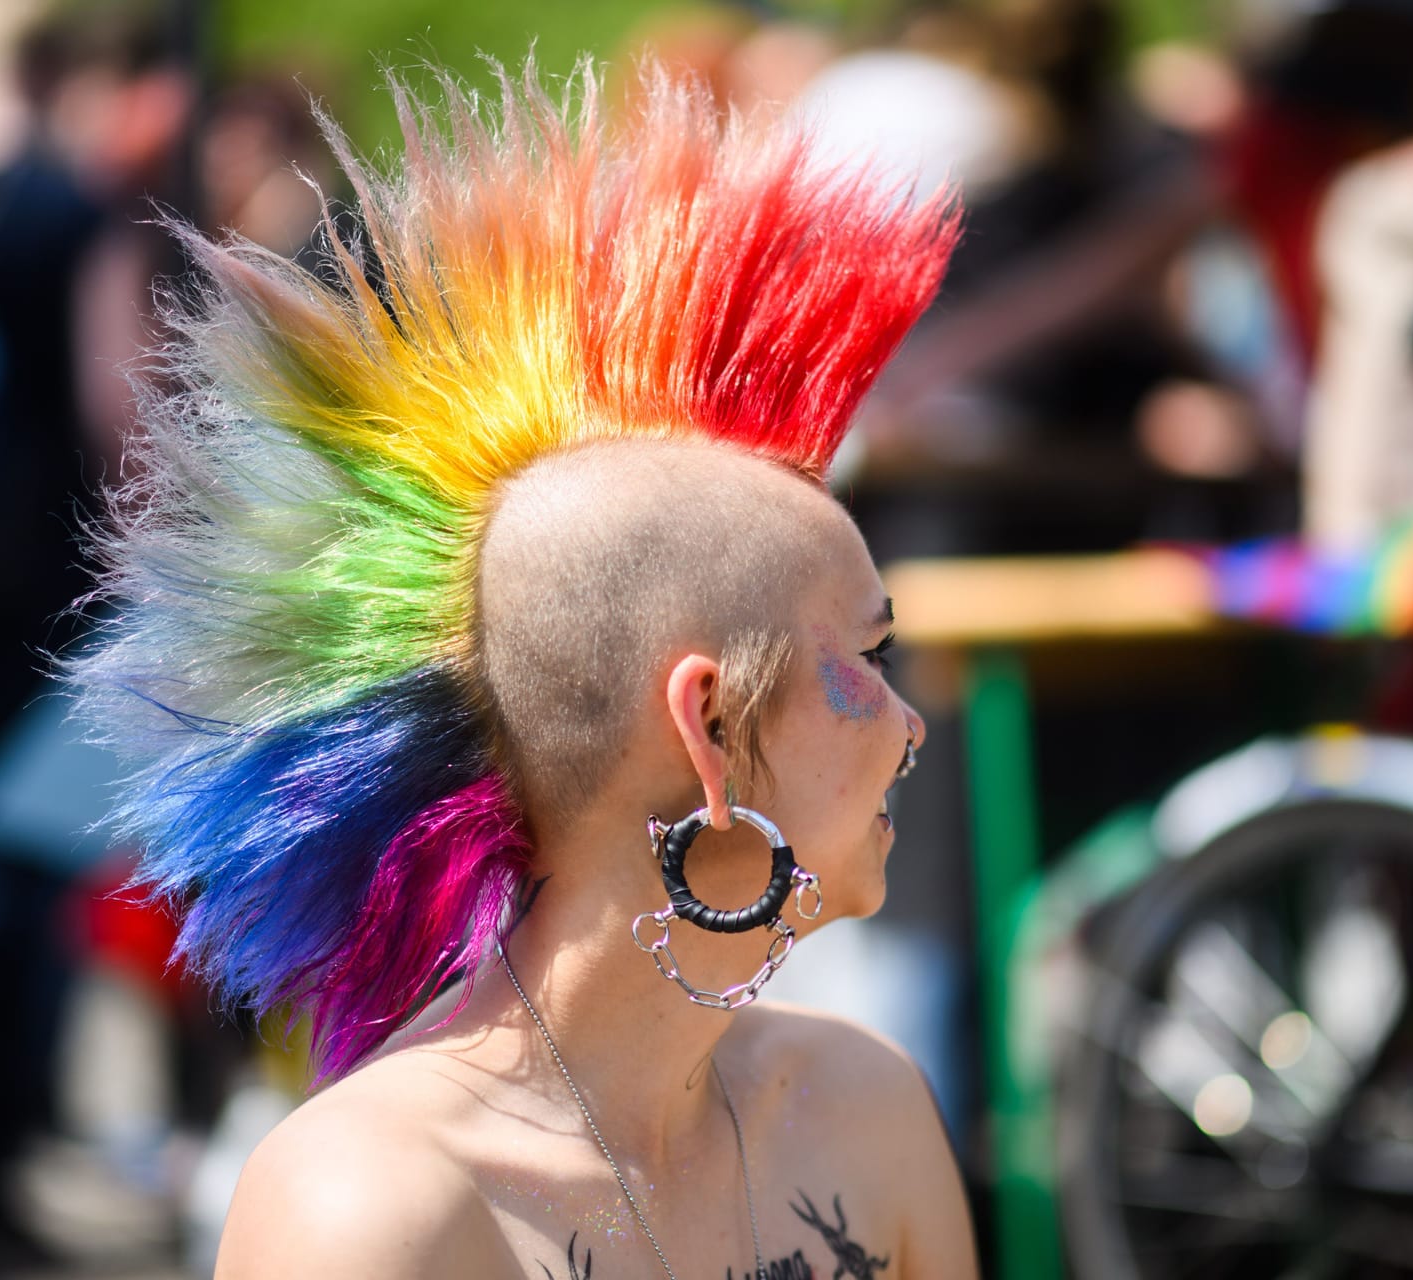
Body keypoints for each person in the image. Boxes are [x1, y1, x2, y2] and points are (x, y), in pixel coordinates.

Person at [64, 58, 980, 1279]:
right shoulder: (374, 1205)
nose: (910, 722)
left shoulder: (867, 1109)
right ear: (706, 725)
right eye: (865, 657)